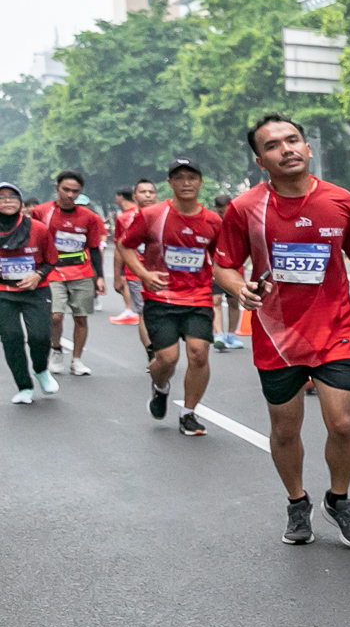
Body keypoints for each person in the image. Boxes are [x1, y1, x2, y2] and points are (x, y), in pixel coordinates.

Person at [210, 114, 350, 547]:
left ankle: (338, 500)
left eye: (293, 140)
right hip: (277, 335)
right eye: (272, 145)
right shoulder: (245, 208)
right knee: (286, 429)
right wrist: (239, 287)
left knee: (342, 423)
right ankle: (297, 501)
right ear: (260, 160)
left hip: (335, 327)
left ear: (307, 147)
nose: (286, 149)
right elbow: (224, 265)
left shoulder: (340, 200)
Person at [119, 160, 222, 436]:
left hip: (198, 297)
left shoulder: (213, 221)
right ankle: (160, 387)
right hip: (161, 298)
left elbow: (223, 258)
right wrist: (144, 274)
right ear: (170, 183)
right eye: (179, 178)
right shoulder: (152, 215)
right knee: (167, 359)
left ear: (200, 182)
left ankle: (188, 413)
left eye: (192, 177)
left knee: (198, 353)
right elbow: (125, 245)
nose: (186, 183)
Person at [33, 170, 108, 376]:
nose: (70, 195)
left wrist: (100, 276)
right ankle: (56, 349)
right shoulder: (42, 212)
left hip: (81, 271)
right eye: (65, 189)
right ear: (57, 188)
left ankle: (77, 360)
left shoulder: (90, 218)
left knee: (81, 317)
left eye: (75, 191)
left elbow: (94, 248)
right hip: (52, 271)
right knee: (55, 315)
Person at [0, 181, 60, 404]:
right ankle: (24, 386)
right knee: (11, 338)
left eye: (12, 196)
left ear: (20, 202)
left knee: (40, 336)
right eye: (2, 197)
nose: (7, 201)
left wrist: (37, 275)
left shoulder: (38, 229)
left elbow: (51, 260)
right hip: (3, 292)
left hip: (36, 290)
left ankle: (41, 369)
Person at [109, 180, 158, 336]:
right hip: (136, 274)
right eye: (143, 192)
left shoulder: (166, 216)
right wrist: (117, 277)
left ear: (156, 196)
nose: (147, 195)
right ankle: (150, 348)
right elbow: (119, 249)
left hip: (162, 273)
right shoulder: (124, 219)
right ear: (134, 196)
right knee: (144, 312)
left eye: (151, 192)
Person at [208, 193, 245, 351]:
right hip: (216, 267)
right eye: (220, 211)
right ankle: (219, 334)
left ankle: (231, 334)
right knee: (215, 300)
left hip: (236, 268)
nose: (223, 214)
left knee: (233, 302)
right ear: (216, 209)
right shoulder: (212, 223)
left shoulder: (239, 222)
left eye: (225, 210)